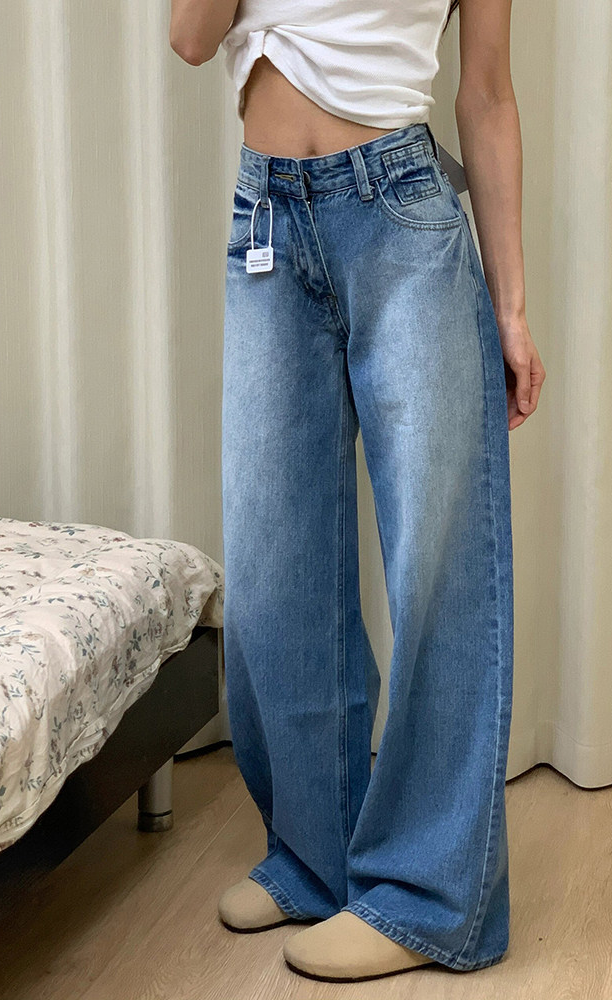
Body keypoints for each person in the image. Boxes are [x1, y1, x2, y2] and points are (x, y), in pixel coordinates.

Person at [170, 0, 545, 982]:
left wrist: (511, 308)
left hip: (400, 214)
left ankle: (429, 898)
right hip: (265, 215)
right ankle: (316, 856)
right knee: (274, 565)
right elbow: (191, 38)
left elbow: (487, 91)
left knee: (438, 569)